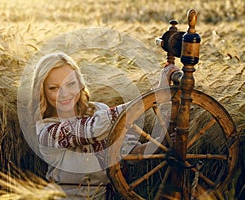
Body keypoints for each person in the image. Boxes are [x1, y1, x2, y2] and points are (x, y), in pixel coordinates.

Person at [31, 52, 179, 199]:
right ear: (42, 90)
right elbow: (89, 129)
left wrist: (161, 142)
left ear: (80, 83)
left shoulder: (100, 110)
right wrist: (155, 95)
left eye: (70, 84)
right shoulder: (46, 131)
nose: (64, 94)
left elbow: (129, 153)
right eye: (54, 88)